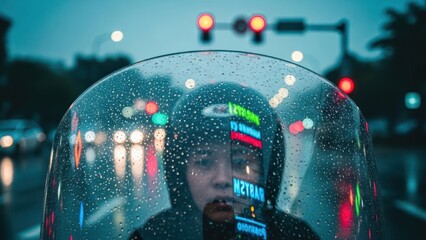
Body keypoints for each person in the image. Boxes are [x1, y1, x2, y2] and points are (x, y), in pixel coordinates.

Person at [130, 82, 319, 240]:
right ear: (180, 172)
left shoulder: (294, 235)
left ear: (266, 173)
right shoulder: (154, 235)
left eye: (240, 163)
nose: (222, 179)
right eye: (204, 163)